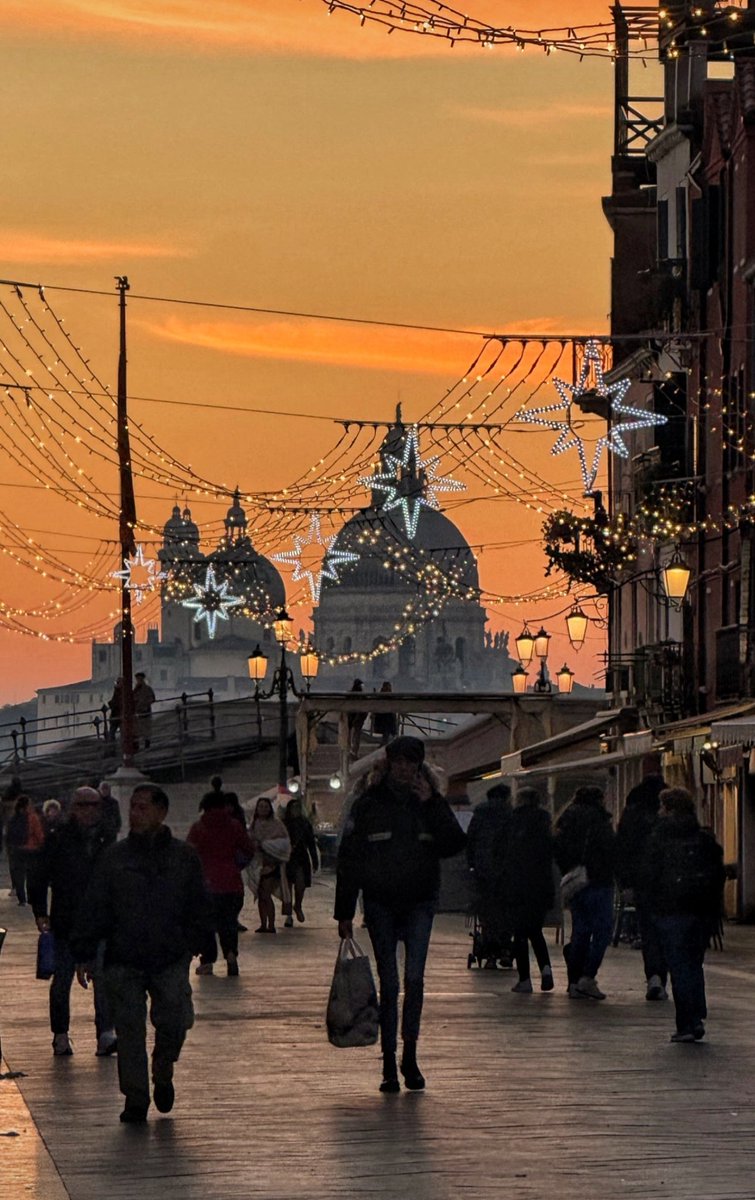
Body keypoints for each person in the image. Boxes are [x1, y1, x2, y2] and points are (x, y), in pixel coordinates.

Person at [71, 783, 213, 1124]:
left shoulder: (183, 856)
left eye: (143, 807)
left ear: (161, 812)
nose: (136, 813)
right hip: (124, 956)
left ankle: (163, 1067)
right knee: (130, 1031)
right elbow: (96, 905)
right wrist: (85, 952)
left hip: (169, 955)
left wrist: (204, 943)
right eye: (133, 807)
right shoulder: (115, 858)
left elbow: (199, 903)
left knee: (175, 1020)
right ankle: (136, 1097)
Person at [335, 735, 467, 1094]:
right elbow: (349, 859)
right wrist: (344, 911)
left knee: (415, 980)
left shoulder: (427, 802)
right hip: (380, 903)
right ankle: (390, 1061)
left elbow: (455, 843)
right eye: (400, 762)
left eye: (412, 763)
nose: (405, 769)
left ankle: (410, 1054)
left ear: (419, 767)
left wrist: (434, 803)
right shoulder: (368, 804)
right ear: (389, 764)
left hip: (420, 902)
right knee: (390, 984)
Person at [29, 786, 118, 1057]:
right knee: (62, 980)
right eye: (83, 805)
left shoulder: (107, 838)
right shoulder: (58, 839)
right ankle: (60, 1034)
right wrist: (40, 911)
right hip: (66, 919)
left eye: (93, 805)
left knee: (103, 979)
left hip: (100, 920)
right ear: (73, 807)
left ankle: (105, 1032)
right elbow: (39, 876)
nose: (89, 811)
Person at [643, 786, 725, 1043]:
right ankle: (697, 1016)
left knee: (679, 966)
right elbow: (717, 875)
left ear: (668, 809)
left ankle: (687, 1022)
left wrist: (651, 907)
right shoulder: (703, 839)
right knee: (694, 964)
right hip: (700, 912)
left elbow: (649, 875)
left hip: (671, 911)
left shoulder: (659, 838)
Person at [554, 784, 616, 1000]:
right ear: (599, 800)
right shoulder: (599, 820)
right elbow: (610, 849)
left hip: (575, 882)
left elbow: (558, 848)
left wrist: (569, 869)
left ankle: (573, 981)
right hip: (599, 881)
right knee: (602, 931)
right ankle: (587, 977)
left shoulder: (565, 820)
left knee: (580, 931)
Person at [616, 755, 668, 1000]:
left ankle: (654, 976)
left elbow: (622, 850)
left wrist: (625, 882)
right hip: (670, 884)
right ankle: (664, 977)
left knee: (649, 931)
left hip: (643, 881)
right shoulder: (671, 817)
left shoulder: (632, 816)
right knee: (668, 931)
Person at [187, 791, 254, 976]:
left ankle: (207, 961)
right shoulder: (234, 826)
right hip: (232, 883)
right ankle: (231, 954)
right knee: (229, 923)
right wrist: (237, 864)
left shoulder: (198, 828)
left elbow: (189, 854)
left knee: (207, 925)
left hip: (207, 884)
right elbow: (249, 849)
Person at [504, 787, 555, 994]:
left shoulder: (514, 822)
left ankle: (524, 979)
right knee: (535, 931)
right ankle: (546, 969)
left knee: (520, 933)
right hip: (541, 886)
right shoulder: (544, 823)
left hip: (518, 885)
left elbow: (505, 853)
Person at [466, 782, 513, 968]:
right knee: (506, 909)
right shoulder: (511, 813)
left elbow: (471, 839)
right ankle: (505, 948)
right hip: (506, 870)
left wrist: (472, 863)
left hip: (483, 869)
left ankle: (489, 950)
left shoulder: (480, 813)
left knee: (487, 910)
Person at [247, 797, 291, 934]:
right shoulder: (254, 824)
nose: (263, 809)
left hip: (272, 864)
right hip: (258, 865)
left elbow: (284, 843)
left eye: (266, 806)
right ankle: (263, 924)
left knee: (266, 895)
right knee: (261, 895)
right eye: (260, 806)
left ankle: (271, 924)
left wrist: (267, 845)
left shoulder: (277, 825)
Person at [282, 797, 319, 927]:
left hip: (301, 857)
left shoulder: (305, 824)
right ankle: (288, 915)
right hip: (286, 857)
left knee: (300, 884)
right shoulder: (283, 824)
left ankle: (297, 905)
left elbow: (311, 843)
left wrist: (315, 860)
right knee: (287, 888)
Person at [6, 794, 44, 905]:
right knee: (31, 875)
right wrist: (42, 847)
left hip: (17, 850)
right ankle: (31, 897)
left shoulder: (13, 818)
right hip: (31, 850)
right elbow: (39, 834)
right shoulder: (33, 817)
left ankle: (22, 899)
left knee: (19, 876)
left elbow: (8, 836)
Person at [132, 672, 155, 749]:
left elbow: (152, 699)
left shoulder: (147, 689)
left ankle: (146, 745)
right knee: (137, 730)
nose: (138, 680)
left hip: (145, 712)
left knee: (146, 729)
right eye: (137, 679)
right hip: (138, 713)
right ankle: (137, 746)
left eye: (139, 679)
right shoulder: (135, 690)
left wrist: (145, 704)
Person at [372, 681, 398, 745]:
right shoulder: (386, 694)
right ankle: (385, 744)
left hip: (386, 716)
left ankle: (385, 743)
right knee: (387, 731)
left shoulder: (382, 694)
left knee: (387, 731)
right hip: (385, 716)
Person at [347, 678, 366, 760]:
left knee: (350, 735)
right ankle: (354, 751)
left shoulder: (350, 694)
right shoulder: (362, 695)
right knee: (356, 735)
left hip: (350, 718)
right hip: (358, 718)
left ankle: (349, 750)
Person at [107, 678, 123, 742]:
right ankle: (113, 747)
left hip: (118, 715)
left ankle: (113, 747)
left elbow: (117, 702)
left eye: (118, 682)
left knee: (113, 733)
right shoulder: (117, 691)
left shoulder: (119, 692)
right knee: (112, 733)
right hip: (116, 715)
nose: (117, 684)